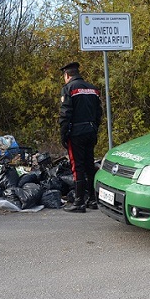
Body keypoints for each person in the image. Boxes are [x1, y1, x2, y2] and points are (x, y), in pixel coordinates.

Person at [59, 62, 102, 213]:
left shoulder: (68, 89)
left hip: (76, 132)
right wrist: (95, 128)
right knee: (90, 165)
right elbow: (99, 113)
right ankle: (92, 199)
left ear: (67, 75)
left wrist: (63, 134)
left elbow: (65, 113)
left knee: (77, 166)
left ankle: (79, 202)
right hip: (91, 130)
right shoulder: (93, 89)